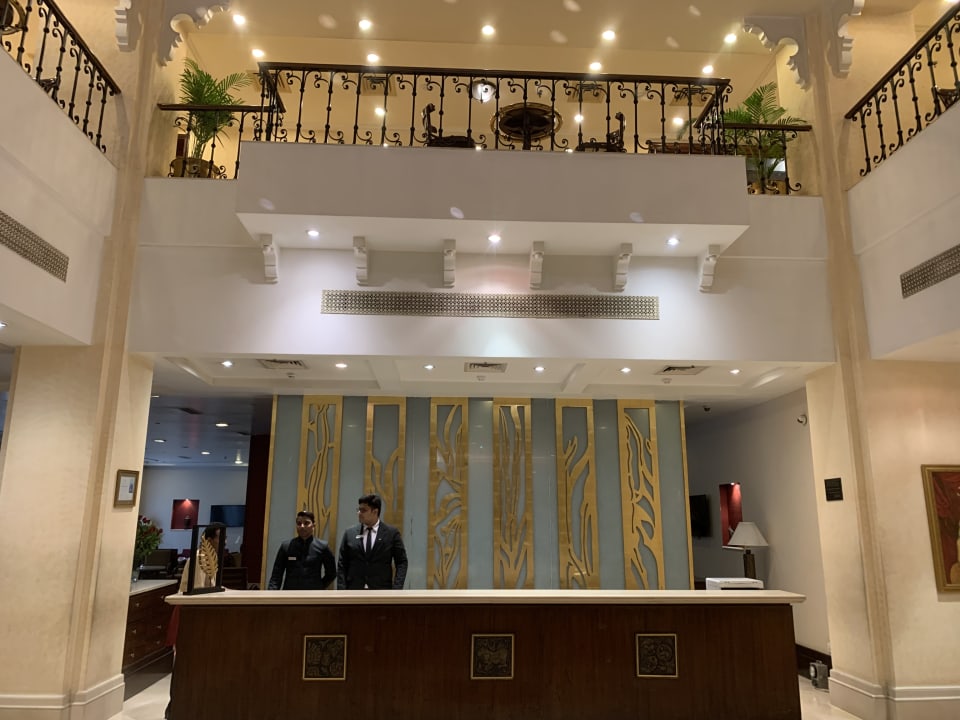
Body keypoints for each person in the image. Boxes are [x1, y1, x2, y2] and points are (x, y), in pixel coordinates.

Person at [337, 493, 408, 590]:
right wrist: (341, 590)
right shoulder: (350, 534)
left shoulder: (391, 534)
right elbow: (342, 564)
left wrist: (397, 589)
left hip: (381, 590)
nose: (359, 513)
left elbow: (401, 562)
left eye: (363, 510)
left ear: (375, 512)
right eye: (359, 509)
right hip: (354, 590)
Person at [267, 511, 336, 590]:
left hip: (313, 594)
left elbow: (331, 573)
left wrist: (318, 586)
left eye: (306, 523)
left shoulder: (322, 547)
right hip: (290, 593)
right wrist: (271, 594)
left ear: (313, 525)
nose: (302, 526)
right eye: (299, 523)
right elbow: (276, 575)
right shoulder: (286, 546)